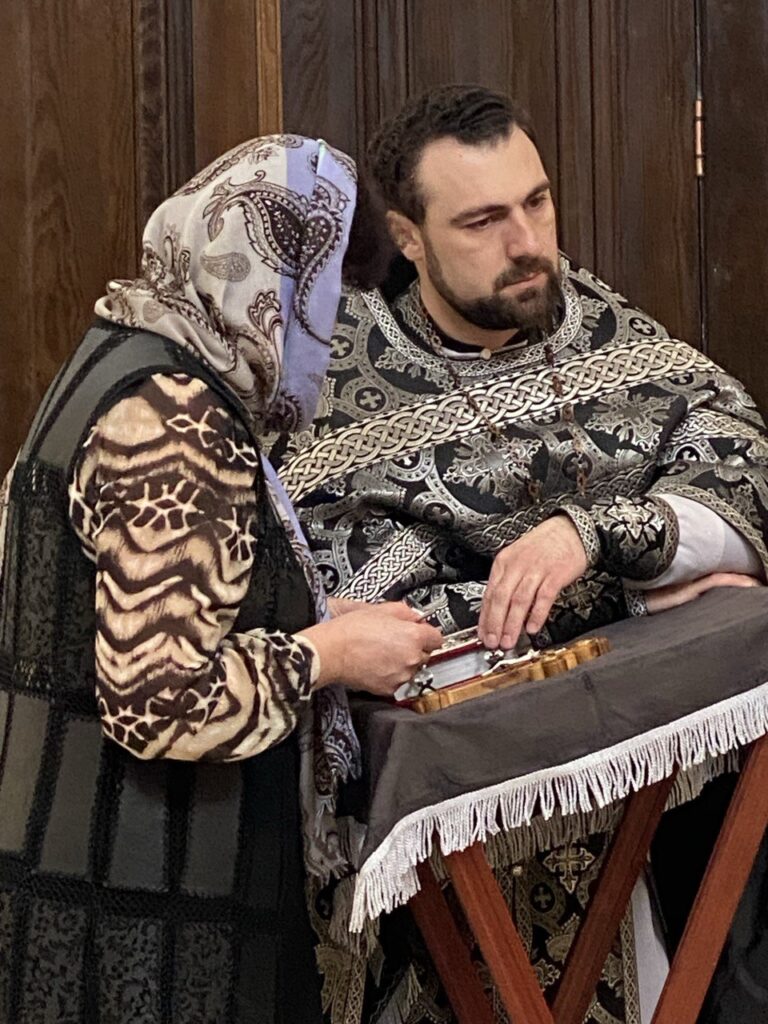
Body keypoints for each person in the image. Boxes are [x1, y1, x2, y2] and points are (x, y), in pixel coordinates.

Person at [274, 87, 768, 1023]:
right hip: (468, 828)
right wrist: (636, 594)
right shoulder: (341, 386)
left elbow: (743, 463)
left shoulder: (598, 322)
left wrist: (603, 535)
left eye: (537, 202)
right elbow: (354, 608)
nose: (528, 242)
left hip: (669, 815)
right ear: (409, 236)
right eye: (483, 220)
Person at [0, 134, 442, 1024]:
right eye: (325, 299)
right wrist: (328, 655)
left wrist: (312, 614)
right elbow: (160, 701)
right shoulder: (180, 418)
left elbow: (137, 605)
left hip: (60, 869)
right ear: (276, 282)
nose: (327, 339)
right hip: (141, 921)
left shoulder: (122, 350)